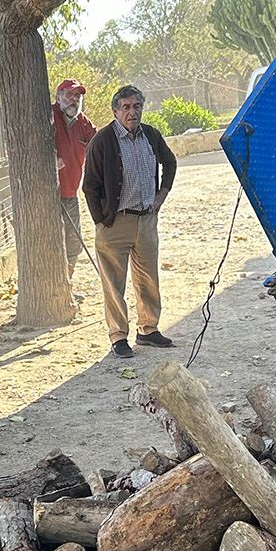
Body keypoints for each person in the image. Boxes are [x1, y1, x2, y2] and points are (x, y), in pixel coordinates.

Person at [80, 84, 178, 359]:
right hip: (115, 223)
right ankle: (118, 336)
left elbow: (169, 163)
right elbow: (90, 186)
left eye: (136, 106)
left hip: (146, 220)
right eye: (125, 107)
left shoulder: (151, 136)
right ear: (115, 111)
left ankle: (148, 329)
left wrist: (162, 195)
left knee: (148, 279)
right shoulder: (102, 141)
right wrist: (102, 220)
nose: (131, 112)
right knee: (114, 283)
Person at [51, 78, 95, 287]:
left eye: (77, 96)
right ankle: (54, 284)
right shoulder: (49, 115)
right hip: (48, 194)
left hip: (70, 192)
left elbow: (97, 147)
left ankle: (65, 285)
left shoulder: (83, 122)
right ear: (58, 96)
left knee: (74, 240)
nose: (74, 100)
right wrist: (50, 157)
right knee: (52, 241)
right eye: (69, 95)